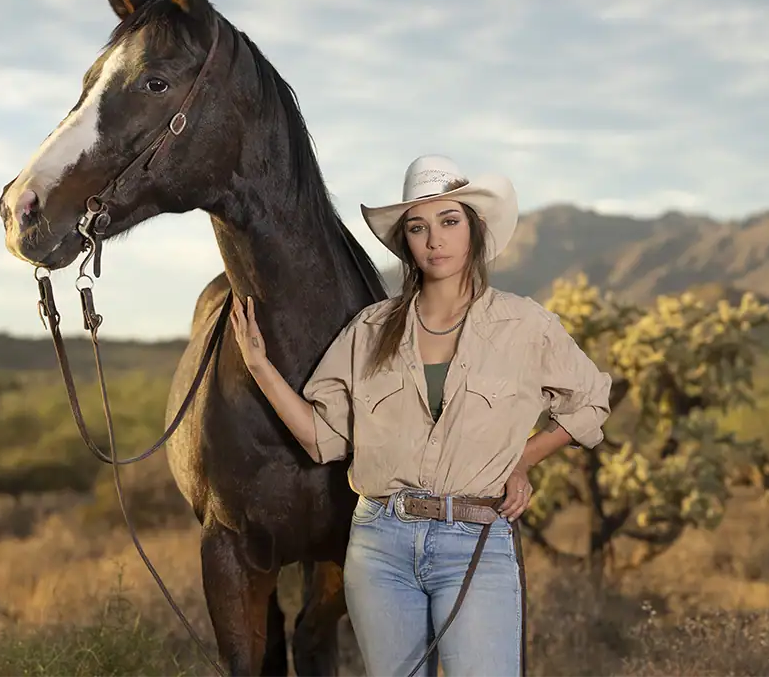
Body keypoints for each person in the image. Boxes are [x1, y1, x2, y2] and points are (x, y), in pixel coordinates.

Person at [231, 154, 612, 677]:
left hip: (475, 540)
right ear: (407, 242)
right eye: (418, 227)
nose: (435, 240)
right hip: (379, 544)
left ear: (474, 230)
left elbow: (590, 401)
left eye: (449, 221)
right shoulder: (370, 330)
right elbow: (322, 439)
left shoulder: (525, 324)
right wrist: (260, 366)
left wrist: (520, 459)